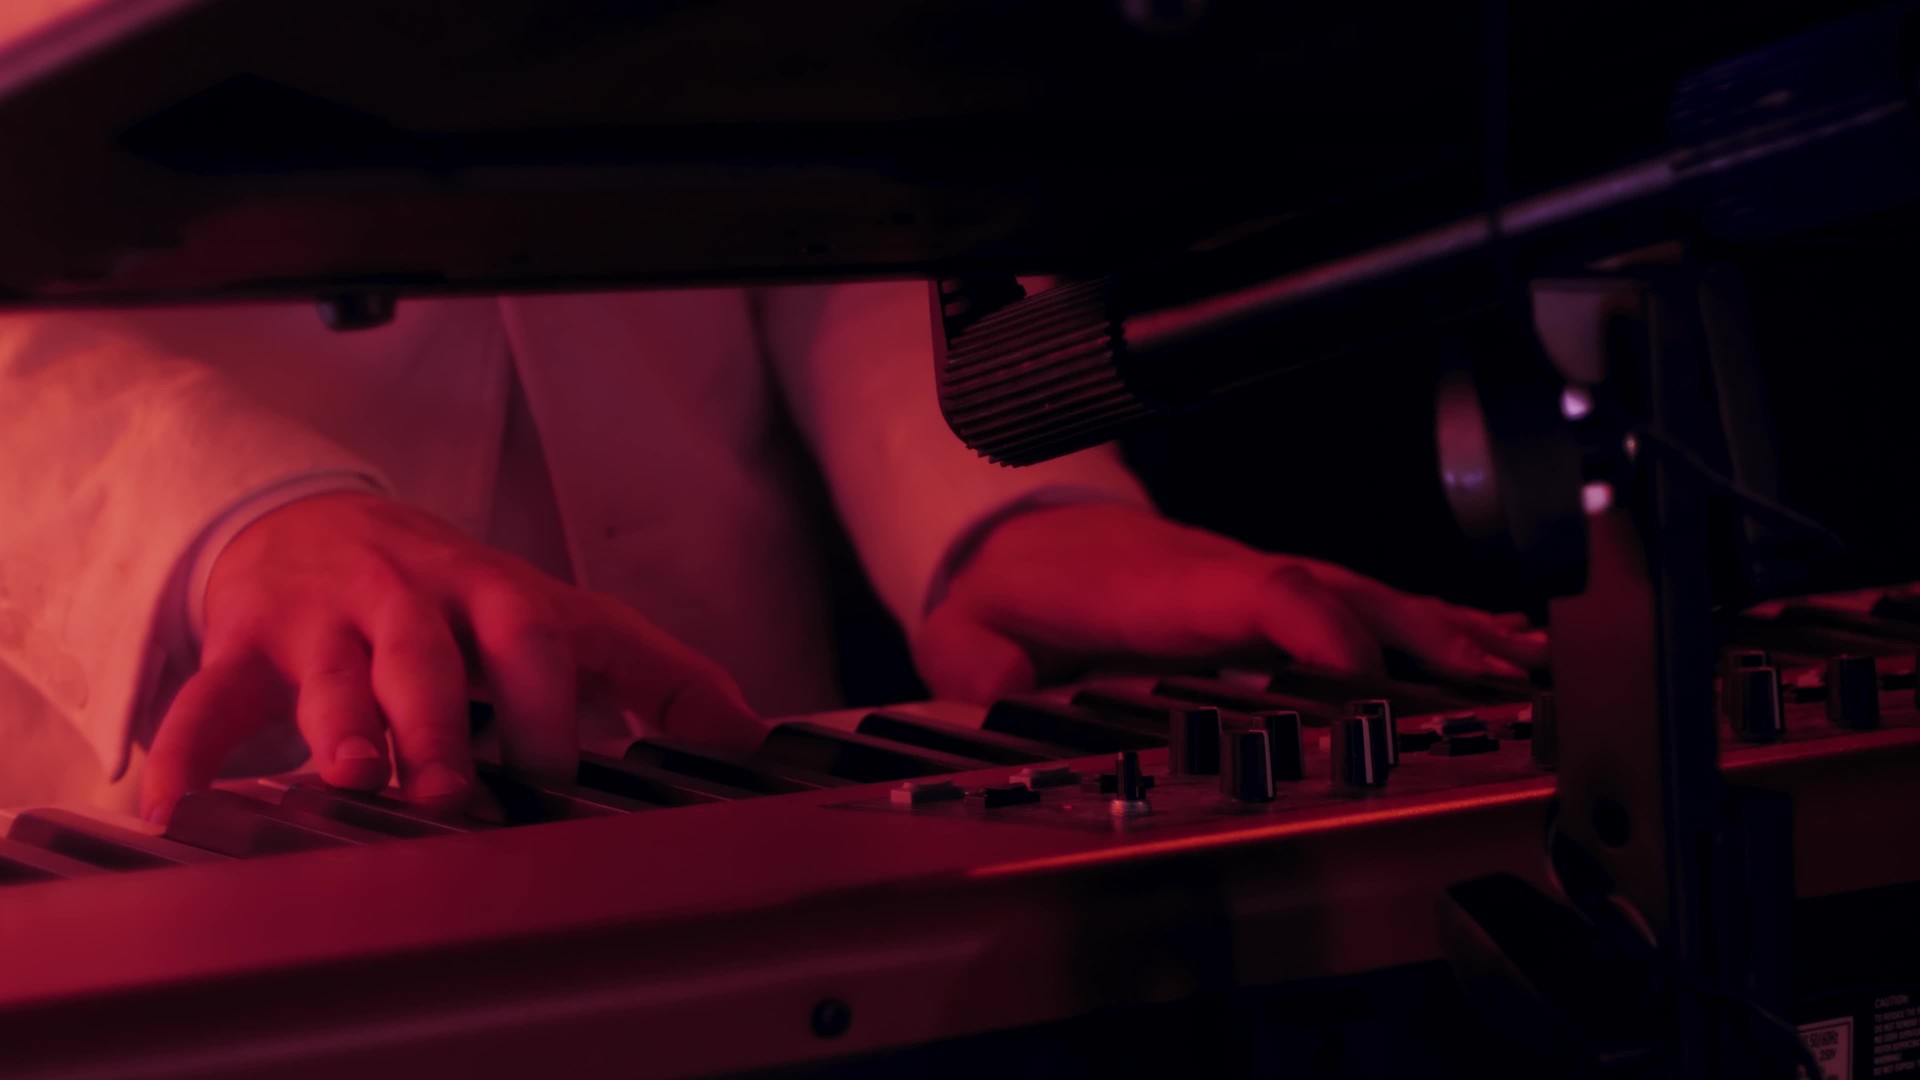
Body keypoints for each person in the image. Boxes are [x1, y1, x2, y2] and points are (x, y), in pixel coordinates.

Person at [0, 282, 1544, 822]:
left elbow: (826, 167)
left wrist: (999, 508)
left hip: (724, 760)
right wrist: (226, 517)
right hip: (154, 777)